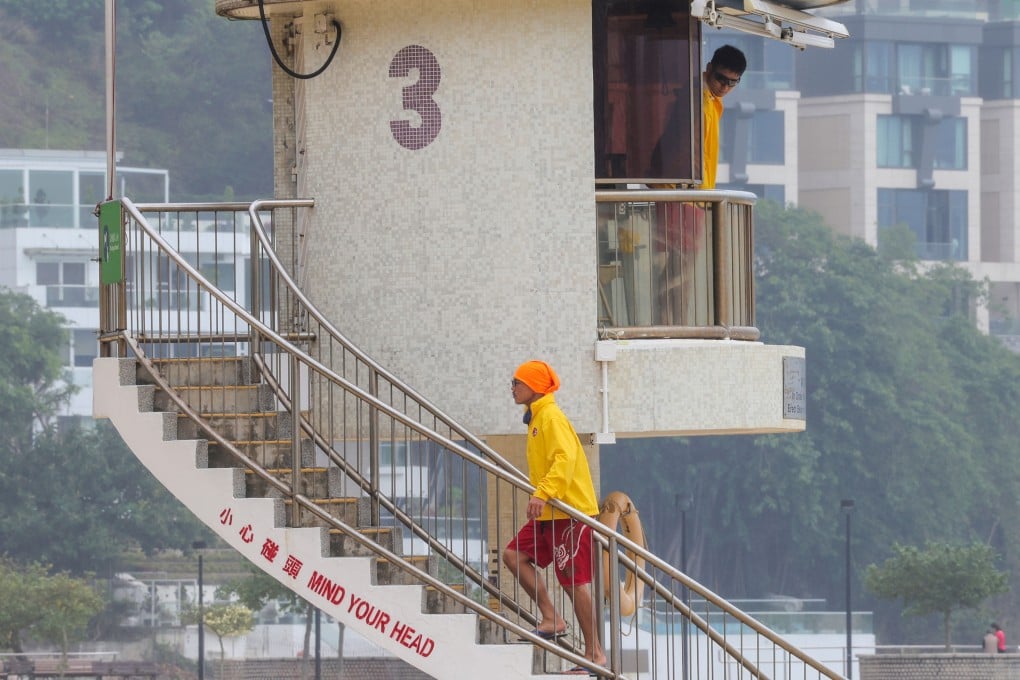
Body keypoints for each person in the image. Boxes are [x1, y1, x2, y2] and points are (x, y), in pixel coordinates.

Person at [502, 360, 606, 674]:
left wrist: (541, 493)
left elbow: (565, 459)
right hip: (551, 512)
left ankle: (594, 655)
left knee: (573, 582)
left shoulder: (551, 417)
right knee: (513, 555)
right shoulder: (537, 417)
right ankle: (552, 618)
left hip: (569, 512)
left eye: (517, 382)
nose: (512, 388)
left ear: (533, 385)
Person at [701, 44, 747, 189]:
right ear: (709, 69)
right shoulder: (698, 101)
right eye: (721, 78)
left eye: (732, 82)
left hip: (697, 196)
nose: (725, 87)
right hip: (686, 196)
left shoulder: (712, 100)